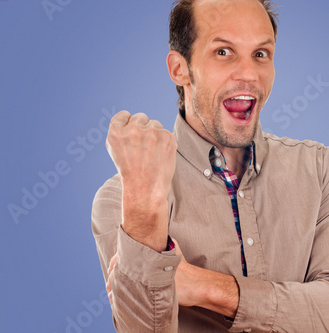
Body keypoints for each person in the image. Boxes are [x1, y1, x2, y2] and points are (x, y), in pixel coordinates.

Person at [91, 0, 329, 332]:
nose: (248, 74)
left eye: (261, 54)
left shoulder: (319, 169)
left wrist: (206, 287)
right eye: (223, 52)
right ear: (179, 68)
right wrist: (144, 213)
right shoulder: (120, 200)